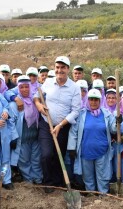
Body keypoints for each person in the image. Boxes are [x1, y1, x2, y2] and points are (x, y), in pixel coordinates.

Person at [34, 56, 81, 193]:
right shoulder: (48, 82)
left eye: (63, 67)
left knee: (58, 154)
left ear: (67, 69)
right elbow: (37, 95)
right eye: (57, 67)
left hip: (63, 127)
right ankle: (48, 182)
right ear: (54, 68)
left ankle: (58, 182)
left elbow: (75, 111)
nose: (59, 70)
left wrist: (60, 125)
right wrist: (38, 104)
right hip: (46, 124)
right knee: (46, 154)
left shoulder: (74, 88)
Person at [68, 89, 116, 193]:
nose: (93, 102)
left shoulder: (107, 114)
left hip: (102, 152)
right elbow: (73, 131)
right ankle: (91, 196)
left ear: (100, 101)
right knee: (88, 177)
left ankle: (104, 197)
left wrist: (118, 123)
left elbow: (114, 129)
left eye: (96, 100)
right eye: (91, 100)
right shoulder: (81, 114)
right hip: (85, 152)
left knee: (102, 176)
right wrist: (71, 147)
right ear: (87, 100)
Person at [9, 75, 42, 184]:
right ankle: (28, 180)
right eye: (21, 87)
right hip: (22, 138)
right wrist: (14, 137)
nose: (24, 89)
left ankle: (38, 179)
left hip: (35, 137)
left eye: (26, 87)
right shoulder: (14, 104)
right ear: (18, 88)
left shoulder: (35, 99)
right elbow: (11, 123)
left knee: (36, 160)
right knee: (24, 161)